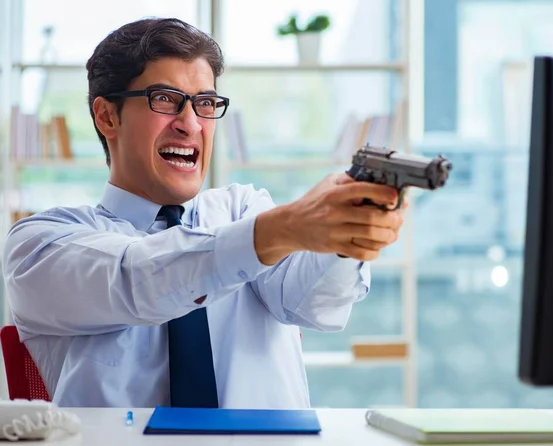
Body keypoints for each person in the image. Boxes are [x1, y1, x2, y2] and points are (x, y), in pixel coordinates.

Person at [2, 17, 406, 409]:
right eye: (165, 100)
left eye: (205, 103)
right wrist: (281, 229)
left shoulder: (243, 210)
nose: (191, 124)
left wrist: (345, 234)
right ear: (107, 116)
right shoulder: (40, 244)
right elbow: (136, 278)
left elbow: (317, 306)